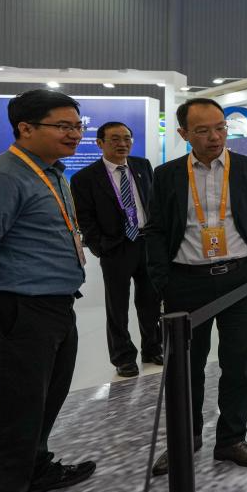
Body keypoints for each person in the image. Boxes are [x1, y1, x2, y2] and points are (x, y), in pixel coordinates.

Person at [0, 90, 96, 492]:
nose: (74, 134)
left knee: (45, 399)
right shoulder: (1, 178)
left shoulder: (52, 173)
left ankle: (34, 469)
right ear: (25, 128)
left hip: (55, 305)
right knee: (13, 413)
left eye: (77, 126)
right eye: (63, 126)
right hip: (18, 311)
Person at [145, 98, 247, 475]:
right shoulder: (167, 174)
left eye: (220, 128)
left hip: (240, 279)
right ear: (184, 133)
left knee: (238, 364)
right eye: (203, 130)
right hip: (185, 282)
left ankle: (231, 439)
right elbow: (155, 229)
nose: (215, 136)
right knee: (185, 368)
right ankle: (185, 440)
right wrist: (163, 279)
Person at [71, 122, 161, 378]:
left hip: (146, 243)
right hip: (116, 248)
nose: (123, 144)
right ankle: (123, 357)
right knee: (117, 307)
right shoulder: (85, 178)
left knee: (150, 301)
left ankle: (153, 348)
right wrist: (100, 246)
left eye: (127, 138)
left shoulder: (142, 166)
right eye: (115, 139)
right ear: (100, 143)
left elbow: (152, 202)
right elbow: (85, 218)